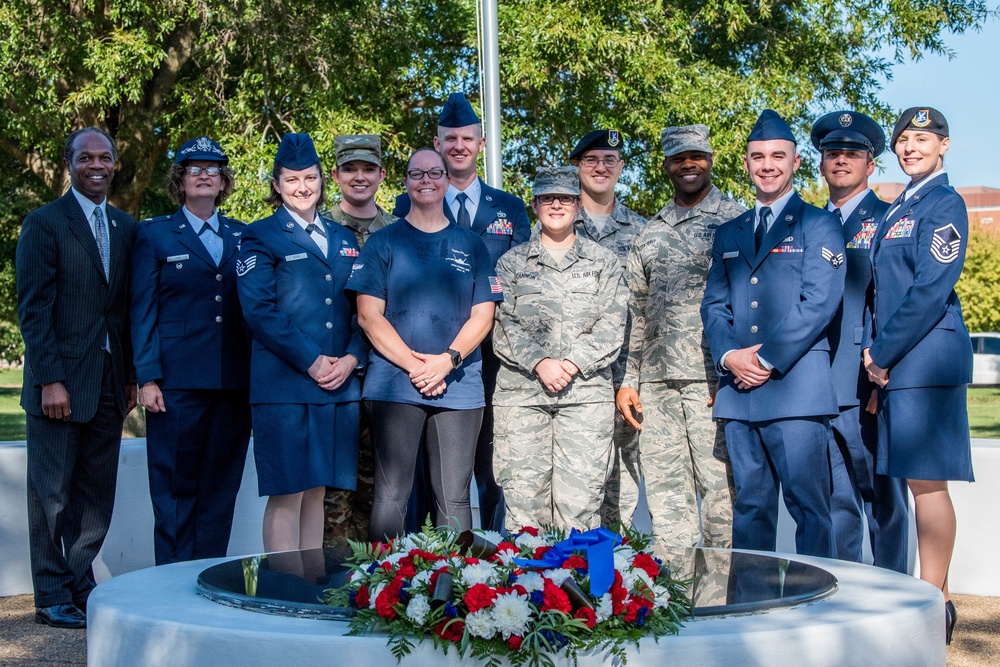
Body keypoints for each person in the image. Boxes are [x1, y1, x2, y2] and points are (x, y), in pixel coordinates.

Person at [700, 109, 846, 558]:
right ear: (745, 163)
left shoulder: (819, 223)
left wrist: (763, 359)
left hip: (795, 392)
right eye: (758, 156)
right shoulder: (729, 232)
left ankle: (816, 616)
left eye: (778, 156)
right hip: (740, 395)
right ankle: (754, 608)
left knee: (809, 508)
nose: (768, 165)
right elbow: (714, 305)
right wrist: (730, 358)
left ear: (796, 161)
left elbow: (818, 303)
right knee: (751, 508)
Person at [16, 127, 137, 628]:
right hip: (59, 385)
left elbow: (126, 311)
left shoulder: (126, 227)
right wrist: (49, 379)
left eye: (104, 157)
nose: (96, 164)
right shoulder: (44, 224)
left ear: (114, 165)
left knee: (95, 496)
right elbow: (34, 308)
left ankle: (79, 581)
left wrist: (130, 377)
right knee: (52, 494)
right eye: (85, 157)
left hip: (110, 384)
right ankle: (50, 595)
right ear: (69, 164)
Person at [393, 92, 530, 532]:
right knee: (420, 474)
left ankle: (489, 568)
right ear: (437, 143)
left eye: (466, 138)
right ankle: (419, 570)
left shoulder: (508, 208)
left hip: (492, 361)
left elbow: (521, 283)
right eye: (449, 138)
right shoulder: (404, 205)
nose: (458, 146)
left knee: (491, 468)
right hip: (424, 361)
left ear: (481, 143)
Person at [350, 148, 503, 539]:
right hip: (394, 384)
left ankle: (456, 590)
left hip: (459, 385)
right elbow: (369, 315)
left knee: (453, 498)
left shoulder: (471, 245)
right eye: (417, 174)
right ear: (405, 182)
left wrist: (447, 361)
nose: (426, 181)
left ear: (447, 181)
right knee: (391, 494)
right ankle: (382, 586)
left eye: (435, 173)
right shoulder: (383, 243)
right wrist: (417, 366)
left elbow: (483, 315)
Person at [864, 106, 974, 644]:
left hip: (925, 358)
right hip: (902, 361)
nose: (910, 148)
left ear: (944, 146)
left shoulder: (944, 203)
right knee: (915, 481)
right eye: (903, 141)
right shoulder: (900, 206)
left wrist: (881, 353)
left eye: (922, 139)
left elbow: (929, 289)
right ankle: (939, 598)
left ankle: (932, 602)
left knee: (927, 483)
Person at [236, 133, 366, 553]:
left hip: (337, 385)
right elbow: (259, 311)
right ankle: (283, 588)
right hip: (285, 387)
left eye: (309, 178)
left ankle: (307, 588)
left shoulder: (344, 238)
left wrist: (351, 359)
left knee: (317, 491)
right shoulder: (260, 237)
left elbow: (360, 308)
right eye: (292, 180)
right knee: (288, 493)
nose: (302, 187)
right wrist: (312, 360)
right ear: (277, 185)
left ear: (321, 180)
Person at [618, 125, 743, 556]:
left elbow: (750, 303)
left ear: (710, 159)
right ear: (666, 166)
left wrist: (732, 374)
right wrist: (628, 379)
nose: (688, 164)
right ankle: (678, 605)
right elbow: (635, 309)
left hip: (714, 382)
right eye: (678, 158)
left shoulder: (737, 220)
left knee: (722, 497)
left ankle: (723, 602)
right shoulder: (650, 231)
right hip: (657, 386)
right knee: (668, 499)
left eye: (697, 156)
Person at [130, 136, 252, 565]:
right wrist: (147, 376)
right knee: (175, 486)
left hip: (233, 381)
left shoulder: (243, 235)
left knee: (221, 487)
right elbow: (142, 309)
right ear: (179, 180)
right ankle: (171, 582)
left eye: (212, 169)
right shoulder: (155, 234)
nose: (204, 175)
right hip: (177, 383)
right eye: (193, 169)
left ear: (223, 182)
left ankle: (207, 574)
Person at [492, 166, 626, 531]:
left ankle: (577, 588)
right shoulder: (510, 264)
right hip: (522, 398)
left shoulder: (604, 263)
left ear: (578, 206)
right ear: (534, 205)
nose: (556, 205)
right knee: (524, 510)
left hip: (584, 398)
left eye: (565, 198)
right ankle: (528, 588)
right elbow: (502, 322)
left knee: (580, 508)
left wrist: (569, 363)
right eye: (547, 198)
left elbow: (613, 324)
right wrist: (540, 363)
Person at [810, 112, 909, 573]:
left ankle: (893, 594)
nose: (841, 160)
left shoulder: (889, 219)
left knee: (881, 498)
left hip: (863, 379)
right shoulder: (808, 224)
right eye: (833, 153)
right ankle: (846, 597)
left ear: (871, 165)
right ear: (822, 164)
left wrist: (880, 375)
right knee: (837, 501)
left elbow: (894, 301)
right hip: (815, 383)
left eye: (853, 153)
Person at [568, 129, 647, 529]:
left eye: (609, 160)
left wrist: (629, 376)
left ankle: (626, 576)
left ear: (621, 168)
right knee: (577, 484)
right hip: (574, 378)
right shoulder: (555, 225)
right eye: (591, 160)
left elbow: (649, 310)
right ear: (577, 167)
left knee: (623, 483)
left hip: (626, 377)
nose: (600, 167)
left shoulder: (643, 231)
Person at [321, 134, 398, 543]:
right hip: (333, 371)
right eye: (350, 168)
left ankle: (373, 584)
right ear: (334, 174)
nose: (359, 177)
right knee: (333, 487)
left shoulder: (399, 231)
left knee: (379, 482)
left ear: (382, 175)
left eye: (368, 168)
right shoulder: (319, 229)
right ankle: (328, 578)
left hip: (385, 372)